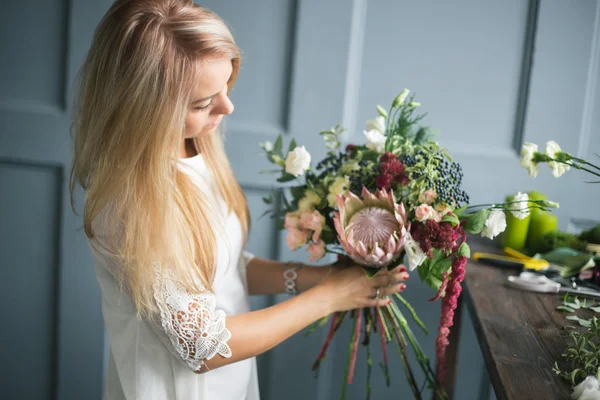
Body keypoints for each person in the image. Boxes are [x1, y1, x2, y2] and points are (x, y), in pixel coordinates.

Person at [69, 1, 409, 399]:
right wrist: (329, 298)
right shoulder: (128, 204)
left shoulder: (193, 149)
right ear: (142, 109)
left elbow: (219, 269)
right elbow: (202, 343)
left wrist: (314, 277)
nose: (227, 107)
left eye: (225, 88)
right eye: (202, 103)